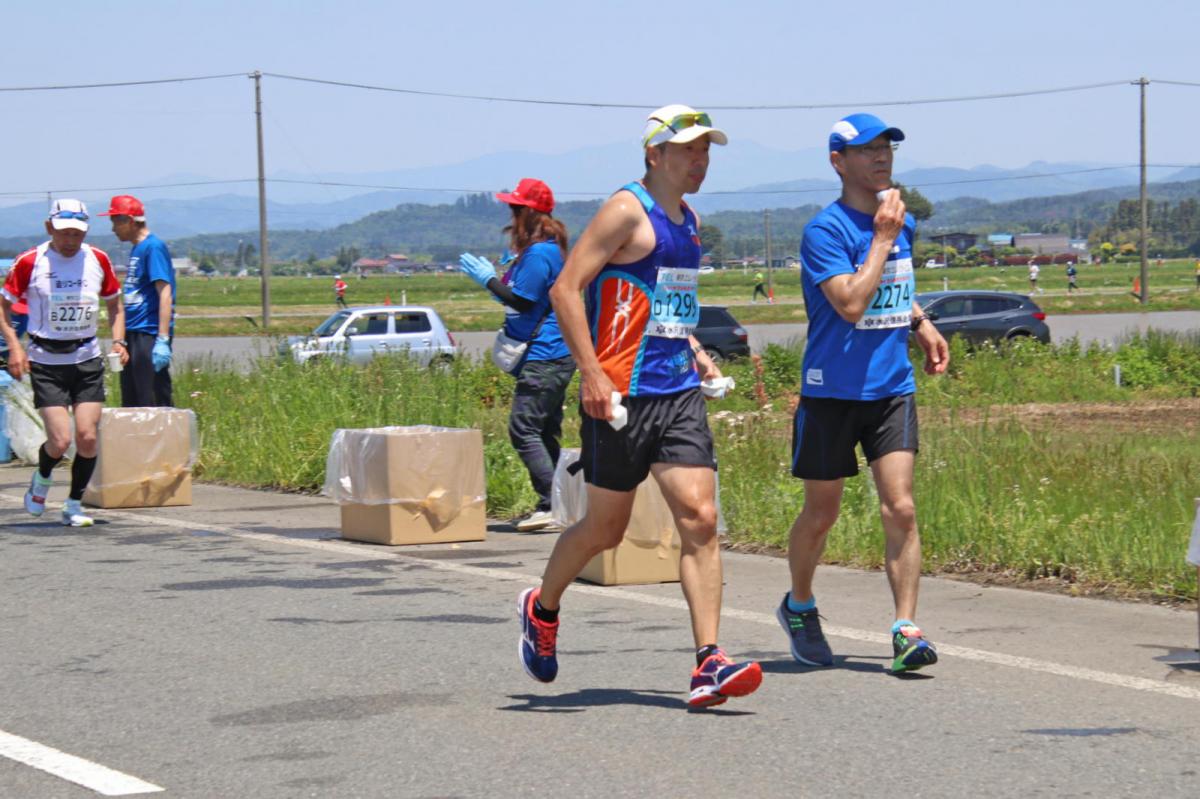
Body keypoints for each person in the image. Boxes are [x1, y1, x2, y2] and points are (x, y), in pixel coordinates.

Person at [518, 104, 762, 709]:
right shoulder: (627, 210)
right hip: (621, 397)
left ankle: (709, 661)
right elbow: (565, 289)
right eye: (688, 150)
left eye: (707, 150)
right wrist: (594, 375)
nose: (700, 161)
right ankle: (542, 607)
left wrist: (696, 350)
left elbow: (663, 303)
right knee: (606, 529)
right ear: (655, 154)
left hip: (677, 393)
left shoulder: (690, 219)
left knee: (701, 518)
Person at [779, 113, 949, 674]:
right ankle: (799, 605)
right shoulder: (825, 231)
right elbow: (850, 302)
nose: (881, 158)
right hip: (830, 392)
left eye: (887, 148)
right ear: (838, 162)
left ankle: (905, 629)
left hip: (890, 389)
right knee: (821, 513)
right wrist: (880, 237)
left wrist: (919, 322)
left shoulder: (904, 224)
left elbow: (891, 291)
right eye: (867, 150)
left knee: (900, 506)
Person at [458, 178, 576, 532]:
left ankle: (550, 504)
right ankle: (564, 503)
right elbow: (525, 299)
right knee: (544, 430)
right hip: (554, 353)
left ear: (527, 213)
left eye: (514, 208)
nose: (510, 215)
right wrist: (504, 280)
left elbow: (522, 301)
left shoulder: (541, 253)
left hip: (546, 354)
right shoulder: (546, 250)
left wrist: (487, 280)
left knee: (523, 428)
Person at [0, 199, 127, 527]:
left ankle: (73, 503)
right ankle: (41, 479)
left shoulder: (97, 259)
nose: (70, 241)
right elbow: (4, 307)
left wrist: (118, 340)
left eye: (77, 234)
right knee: (60, 441)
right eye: (64, 233)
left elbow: (115, 304)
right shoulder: (31, 261)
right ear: (49, 228)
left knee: (86, 437)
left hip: (86, 358)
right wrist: (15, 347)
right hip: (46, 361)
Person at [99, 195, 175, 407]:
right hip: (133, 332)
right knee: (132, 399)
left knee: (150, 397)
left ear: (130, 221)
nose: (113, 229)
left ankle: (162, 438)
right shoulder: (137, 248)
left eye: (115, 222)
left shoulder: (153, 247)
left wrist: (162, 338)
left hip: (148, 332)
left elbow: (165, 291)